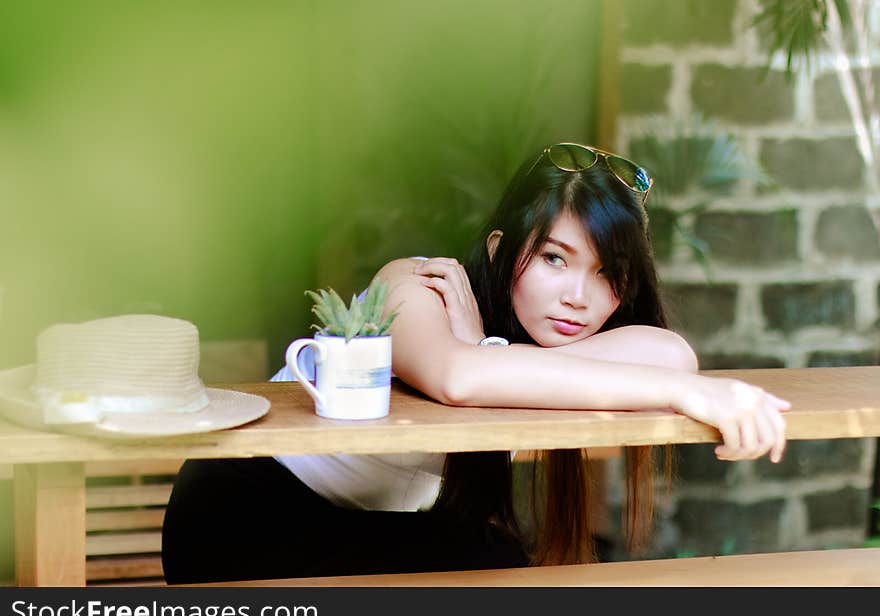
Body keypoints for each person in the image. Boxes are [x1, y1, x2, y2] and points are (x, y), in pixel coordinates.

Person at [162, 142, 789, 583]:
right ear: (500, 249)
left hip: (368, 529)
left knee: (498, 568)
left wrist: (489, 349)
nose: (578, 295)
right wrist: (478, 351)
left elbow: (672, 355)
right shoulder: (415, 287)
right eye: (554, 259)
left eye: (606, 273)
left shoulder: (563, 344)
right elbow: (458, 379)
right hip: (246, 515)